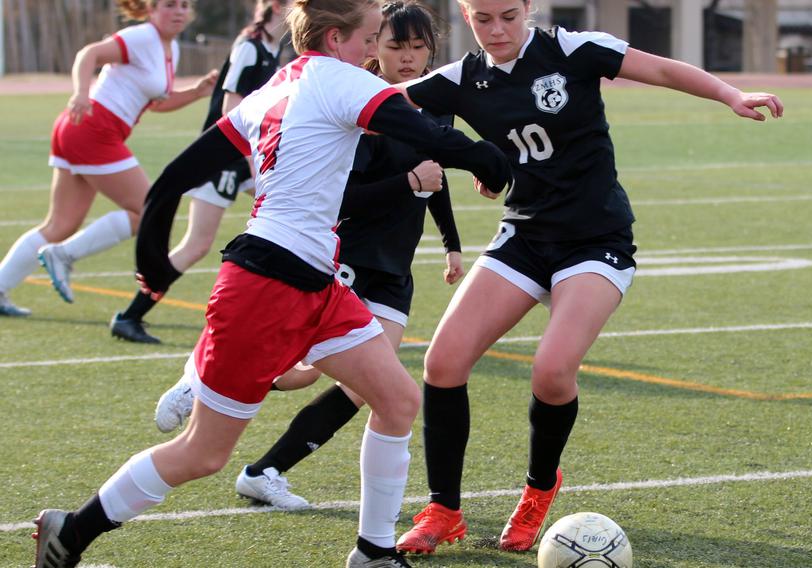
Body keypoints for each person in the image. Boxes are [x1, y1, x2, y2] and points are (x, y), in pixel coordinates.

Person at [30, 1, 511, 567]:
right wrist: (488, 160)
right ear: (336, 40)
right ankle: (72, 531)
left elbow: (177, 175)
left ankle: (373, 553)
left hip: (318, 283)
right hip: (265, 286)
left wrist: (154, 262)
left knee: (398, 400)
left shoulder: (278, 86)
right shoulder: (341, 78)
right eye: (372, 38)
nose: (374, 52)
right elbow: (428, 132)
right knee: (203, 453)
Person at [393, 0, 784, 555]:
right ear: (464, 16)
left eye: (508, 14)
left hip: (595, 241)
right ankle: (443, 510)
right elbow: (386, 107)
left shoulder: (571, 49)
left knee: (552, 372)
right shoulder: (460, 79)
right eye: (483, 18)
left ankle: (538, 490)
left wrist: (731, 94)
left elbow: (664, 70)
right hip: (524, 237)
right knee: (443, 360)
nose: (497, 29)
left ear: (528, 8)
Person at [152, 0, 464, 512]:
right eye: (393, 46)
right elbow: (349, 198)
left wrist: (451, 243)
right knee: (297, 374)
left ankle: (265, 470)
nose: (407, 58)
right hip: (346, 258)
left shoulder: (428, 106)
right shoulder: (357, 104)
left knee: (369, 390)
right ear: (372, 47)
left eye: (417, 47)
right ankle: (200, 379)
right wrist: (409, 183)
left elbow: (437, 174)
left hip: (394, 266)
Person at [0, 0, 217, 317]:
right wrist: (80, 92)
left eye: (184, 5)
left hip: (81, 130)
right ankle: (63, 256)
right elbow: (88, 54)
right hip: (93, 128)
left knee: (60, 224)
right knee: (147, 211)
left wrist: (196, 92)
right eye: (170, 5)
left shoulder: (168, 48)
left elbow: (156, 102)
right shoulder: (142, 36)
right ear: (150, 10)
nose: (180, 11)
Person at [110, 0, 290, 343]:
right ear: (277, 7)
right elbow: (230, 108)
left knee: (293, 214)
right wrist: (255, 157)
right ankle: (130, 315)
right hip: (224, 160)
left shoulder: (270, 49)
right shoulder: (249, 47)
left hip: (245, 160)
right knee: (196, 245)